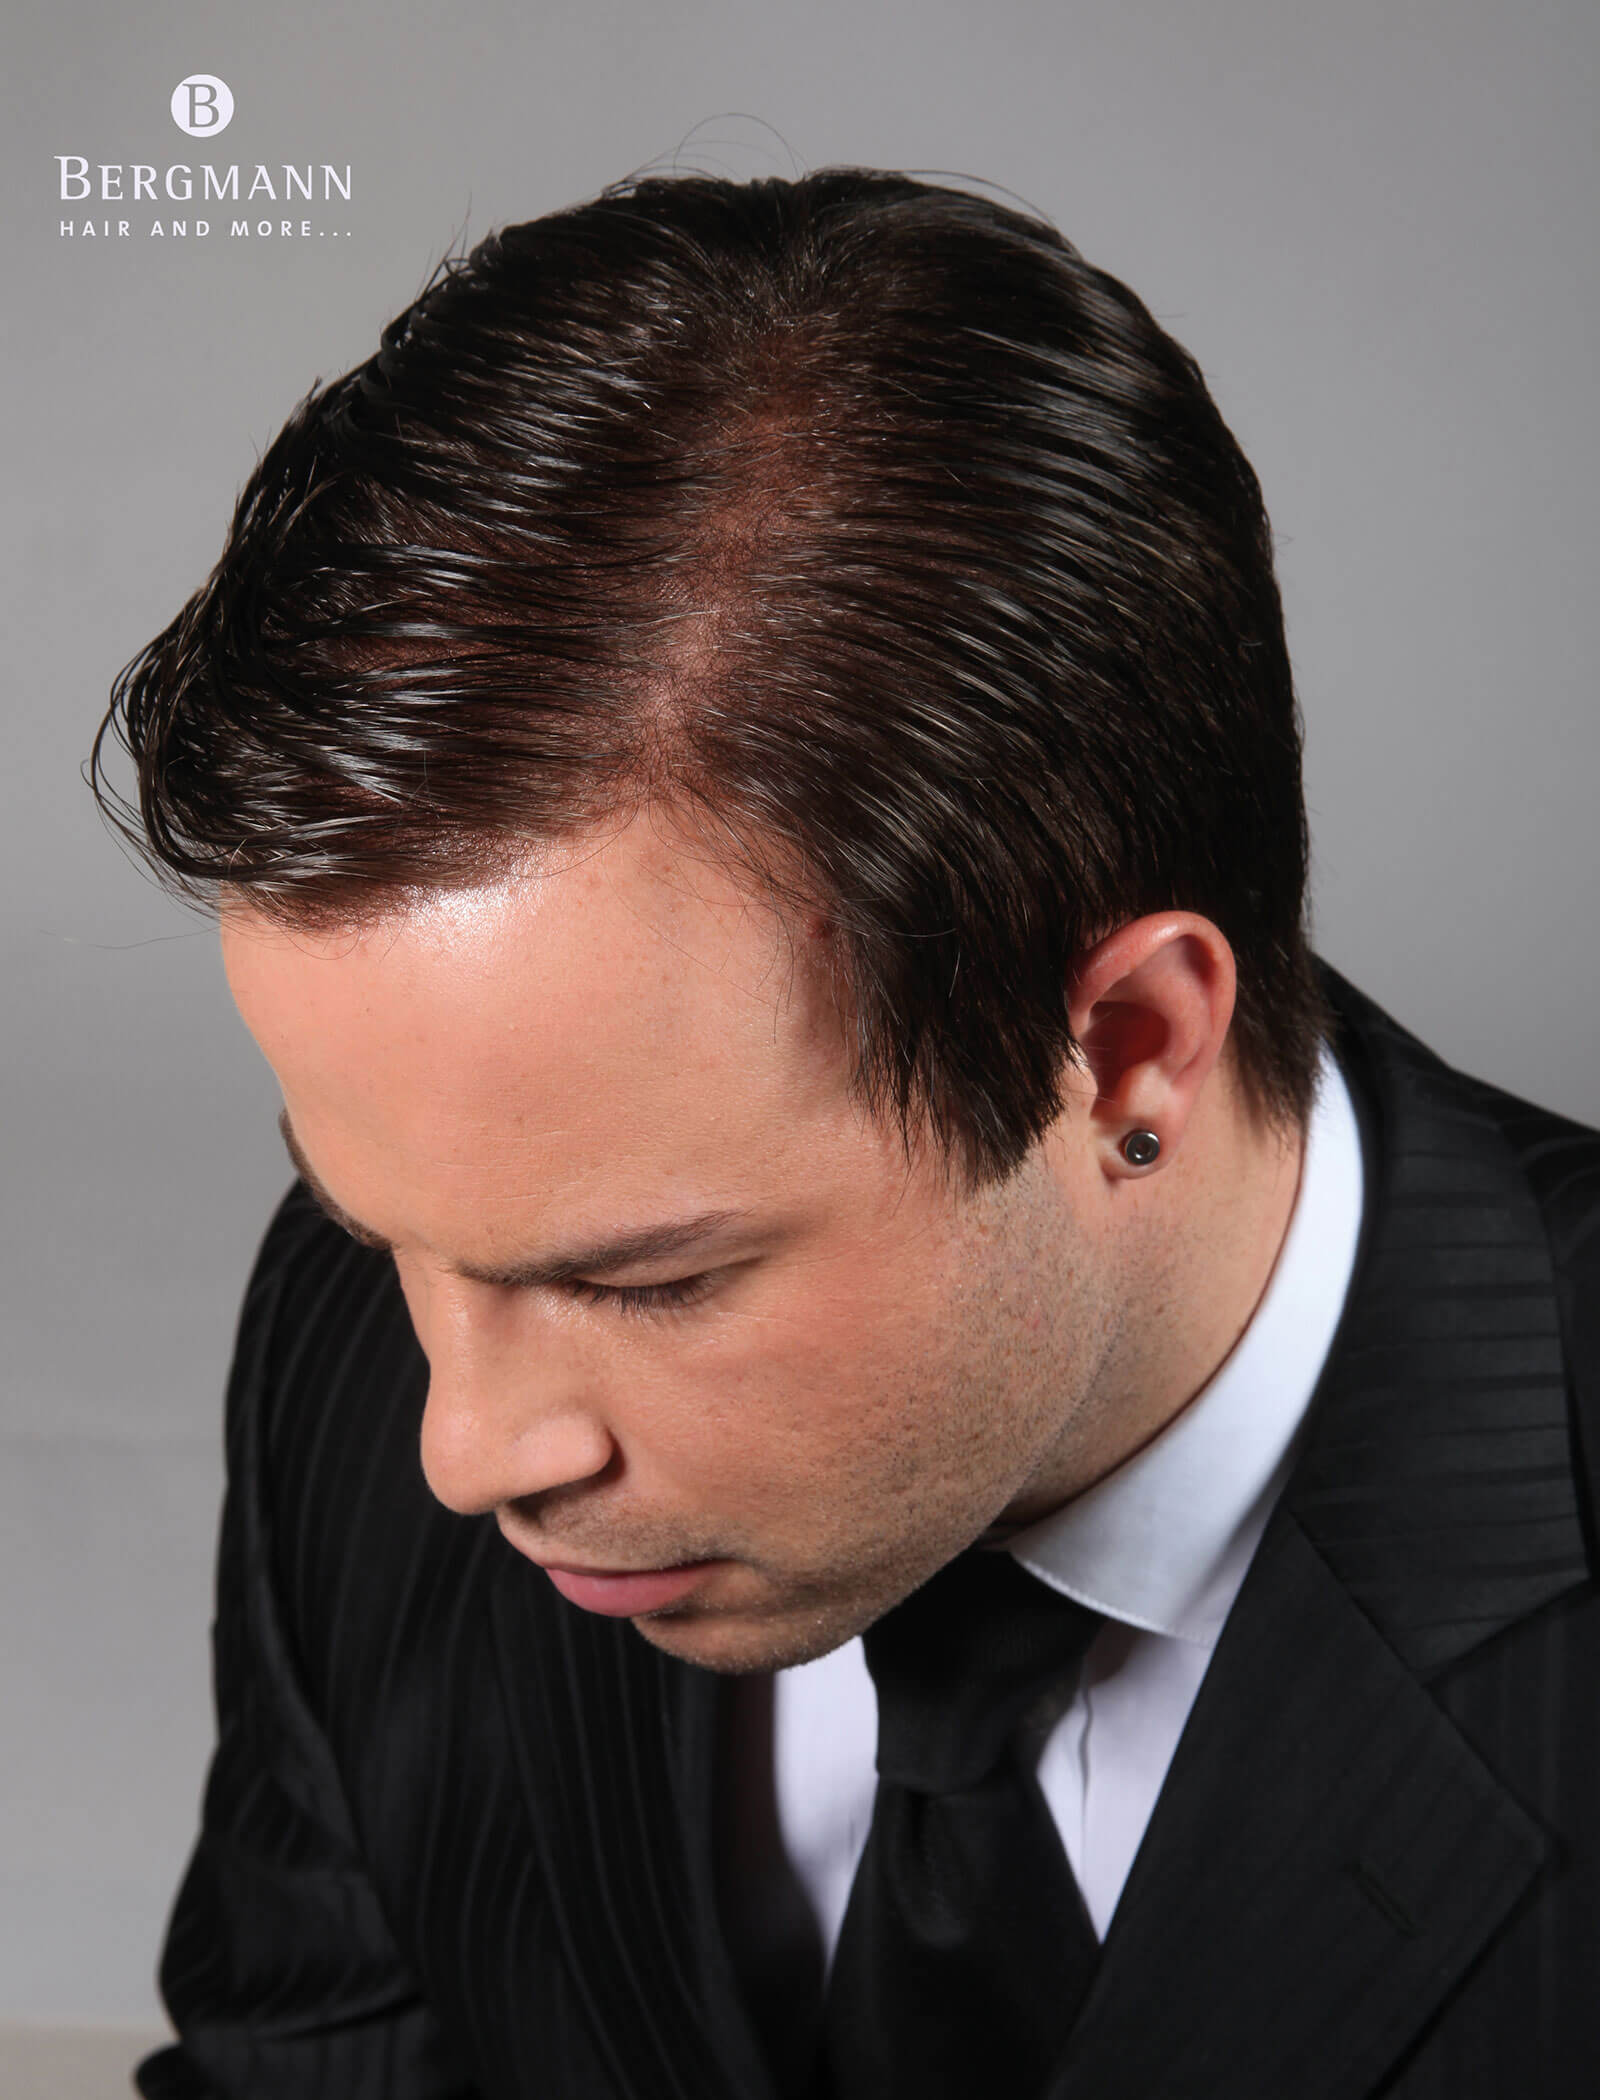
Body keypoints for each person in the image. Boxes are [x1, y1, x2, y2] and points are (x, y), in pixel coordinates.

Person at [93, 169, 1598, 2100]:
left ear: (1130, 1052)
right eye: (379, 1226)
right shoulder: (346, 1346)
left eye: (651, 1281)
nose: (463, 1449)